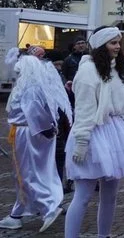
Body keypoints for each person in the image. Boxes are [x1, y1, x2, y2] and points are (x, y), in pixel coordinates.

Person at [64, 26, 124, 238]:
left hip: (116, 134)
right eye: (113, 43)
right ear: (102, 45)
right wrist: (82, 141)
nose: (118, 47)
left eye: (118, 43)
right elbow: (84, 110)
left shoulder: (118, 70)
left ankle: (105, 235)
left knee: (110, 195)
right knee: (83, 195)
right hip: (93, 134)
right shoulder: (87, 71)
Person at [0, 54, 72, 233]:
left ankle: (49, 206)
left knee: (26, 173)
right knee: (28, 173)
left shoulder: (30, 87)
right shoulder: (34, 85)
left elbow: (35, 111)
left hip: (28, 133)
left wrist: (44, 129)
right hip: (32, 131)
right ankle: (16, 214)